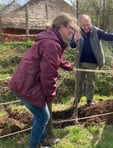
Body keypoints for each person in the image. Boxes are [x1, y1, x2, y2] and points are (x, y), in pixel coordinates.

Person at [8, 12, 77, 148]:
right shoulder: (52, 44)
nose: (73, 31)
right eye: (71, 27)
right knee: (43, 117)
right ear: (61, 27)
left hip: (25, 82)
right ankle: (33, 146)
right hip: (28, 85)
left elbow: (54, 60)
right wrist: (50, 94)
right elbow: (48, 73)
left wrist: (67, 66)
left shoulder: (50, 40)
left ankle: (43, 139)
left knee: (39, 114)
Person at [70, 14, 113, 106]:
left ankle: (89, 101)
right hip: (80, 62)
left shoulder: (96, 31)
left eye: (88, 24)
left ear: (90, 23)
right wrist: (74, 40)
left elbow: (106, 35)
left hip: (93, 62)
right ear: (80, 24)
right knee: (78, 82)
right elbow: (72, 45)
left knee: (90, 83)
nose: (86, 27)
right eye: (84, 25)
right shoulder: (77, 32)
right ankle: (76, 100)